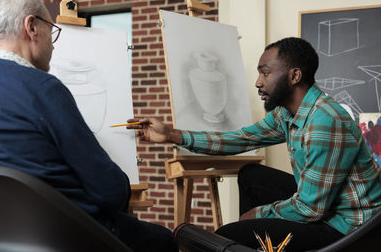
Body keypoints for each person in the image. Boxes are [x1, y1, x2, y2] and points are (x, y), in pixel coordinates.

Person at [127, 37, 381, 251]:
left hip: (352, 229)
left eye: (265, 73)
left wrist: (257, 216)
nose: (258, 82)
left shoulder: (325, 120)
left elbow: (309, 209)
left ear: (294, 76)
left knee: (230, 234)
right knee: (252, 175)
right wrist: (171, 134)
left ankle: (248, 239)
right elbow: (240, 139)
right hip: (326, 209)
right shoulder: (288, 113)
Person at [0, 0, 178, 251]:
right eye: (52, 32)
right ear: (32, 27)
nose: (53, 44)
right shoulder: (44, 88)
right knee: (164, 240)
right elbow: (109, 191)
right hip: (66, 232)